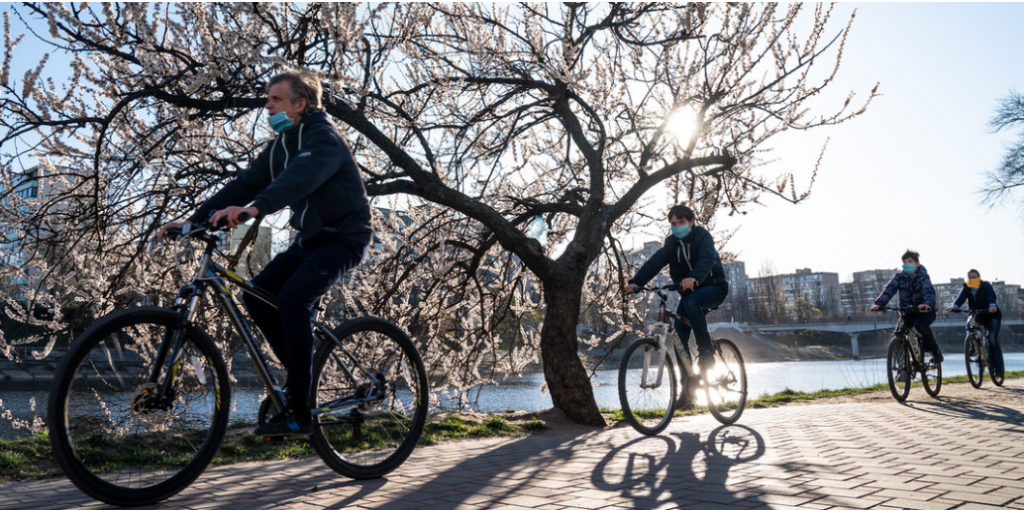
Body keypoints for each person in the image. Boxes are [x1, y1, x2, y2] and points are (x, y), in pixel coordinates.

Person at [157, 70, 372, 436]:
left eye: (275, 99)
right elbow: (245, 183)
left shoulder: (323, 137)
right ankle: (301, 379)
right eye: (267, 99)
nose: (266, 105)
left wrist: (256, 208)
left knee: (293, 299)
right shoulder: (281, 145)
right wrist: (193, 222)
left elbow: (302, 176)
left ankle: (301, 408)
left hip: (345, 239)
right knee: (257, 298)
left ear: (300, 104)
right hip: (310, 241)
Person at [624, 204, 729, 372]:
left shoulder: (703, 237)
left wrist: (694, 277)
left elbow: (707, 259)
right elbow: (654, 263)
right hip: (689, 295)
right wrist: (636, 281)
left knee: (692, 302)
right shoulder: (671, 244)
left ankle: (706, 351)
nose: (677, 226)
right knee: (678, 339)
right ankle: (688, 387)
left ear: (692, 221)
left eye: (681, 222)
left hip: (715, 287)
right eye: (673, 223)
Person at [871, 250, 943, 364]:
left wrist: (927, 304)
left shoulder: (923, 276)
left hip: (925, 311)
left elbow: (928, 290)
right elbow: (889, 290)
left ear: (917, 263)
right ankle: (902, 368)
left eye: (910, 261)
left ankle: (935, 352)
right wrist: (879, 304)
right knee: (899, 334)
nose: (907, 264)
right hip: (907, 312)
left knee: (920, 325)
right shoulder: (899, 277)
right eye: (904, 262)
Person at [945, 269, 1003, 375]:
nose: (972, 280)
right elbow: (961, 298)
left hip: (992, 315)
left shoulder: (986, 285)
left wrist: (992, 305)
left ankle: (998, 369)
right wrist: (954, 306)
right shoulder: (967, 287)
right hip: (978, 314)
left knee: (992, 339)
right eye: (970, 278)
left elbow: (991, 296)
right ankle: (973, 345)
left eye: (974, 277)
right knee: (969, 325)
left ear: (979, 277)